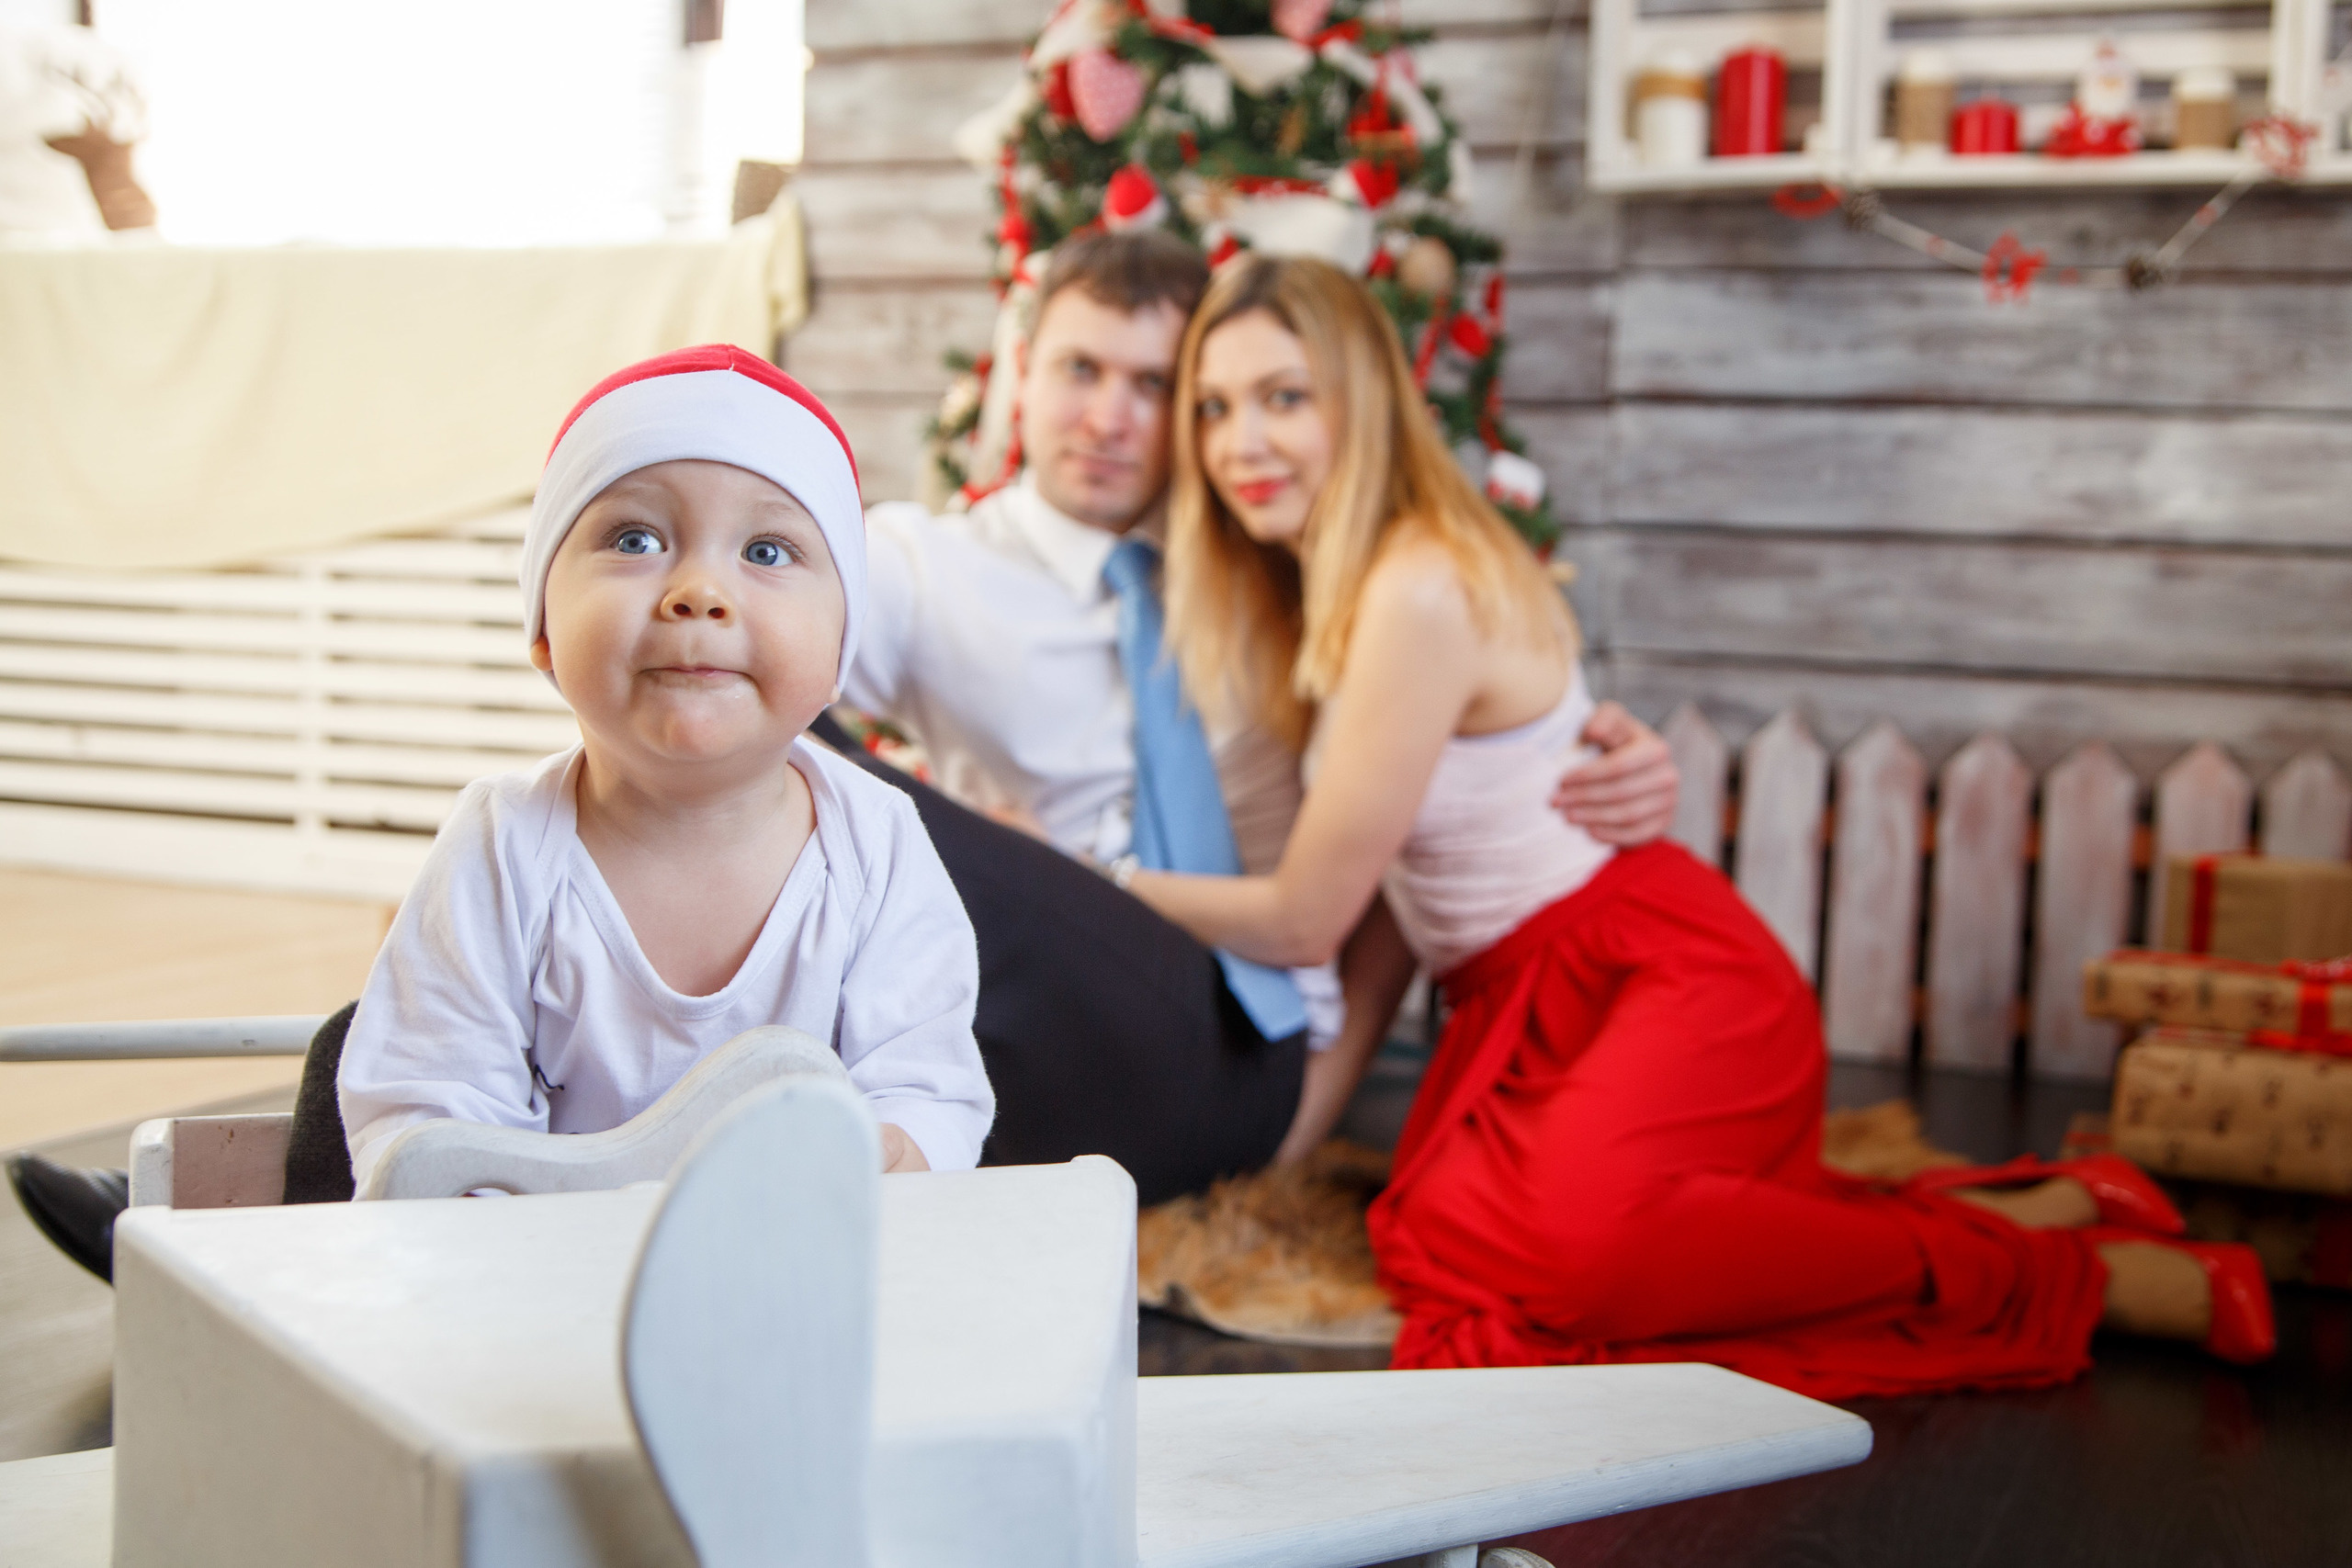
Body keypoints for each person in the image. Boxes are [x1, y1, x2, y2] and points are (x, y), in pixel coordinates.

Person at [1120, 251, 2274, 1399]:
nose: (1239, 445)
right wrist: (1299, 1137)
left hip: (1649, 976)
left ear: (1360, 399)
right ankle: (2049, 1201)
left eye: (1283, 397)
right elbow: (1386, 913)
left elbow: (1308, 914)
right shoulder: (1326, 590)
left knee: (1567, 1261)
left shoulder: (1416, 583)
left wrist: (1104, 883)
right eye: (1214, 407)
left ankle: (2064, 1273)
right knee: (1449, 1233)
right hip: (1520, 1003)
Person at [824, 229, 1679, 1204]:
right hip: (1060, 1009)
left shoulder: (1281, 564)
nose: (1106, 417)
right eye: (1078, 370)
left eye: (1152, 387)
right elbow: (761, 652)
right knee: (796, 739)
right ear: (1020, 370)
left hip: (1247, 1050)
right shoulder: (923, 567)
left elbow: (1421, 796)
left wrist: (1583, 741)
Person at [336, 344, 993, 1187]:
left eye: (765, 551)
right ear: (542, 622)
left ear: (839, 652)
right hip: (541, 1280)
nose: (699, 591)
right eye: (635, 537)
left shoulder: (877, 847)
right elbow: (426, 1116)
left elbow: (928, 1086)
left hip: (800, 1276)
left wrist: (897, 1148)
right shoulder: (501, 850)